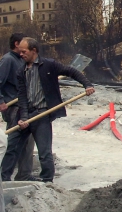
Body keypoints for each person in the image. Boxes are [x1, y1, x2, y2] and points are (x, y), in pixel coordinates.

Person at [10, 38, 95, 183]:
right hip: (28, 113)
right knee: (13, 147)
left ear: (34, 51)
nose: (21, 54)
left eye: (24, 52)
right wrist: (23, 117)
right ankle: (7, 177)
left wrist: (87, 85)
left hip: (42, 114)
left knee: (44, 152)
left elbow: (71, 71)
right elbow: (22, 97)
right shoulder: (21, 71)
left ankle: (47, 181)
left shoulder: (49, 65)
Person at [1, 33, 36, 182]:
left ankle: (24, 175)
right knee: (15, 144)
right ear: (16, 44)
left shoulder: (21, 61)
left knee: (28, 142)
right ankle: (4, 177)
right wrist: (1, 100)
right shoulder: (8, 60)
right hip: (13, 107)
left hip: (24, 106)